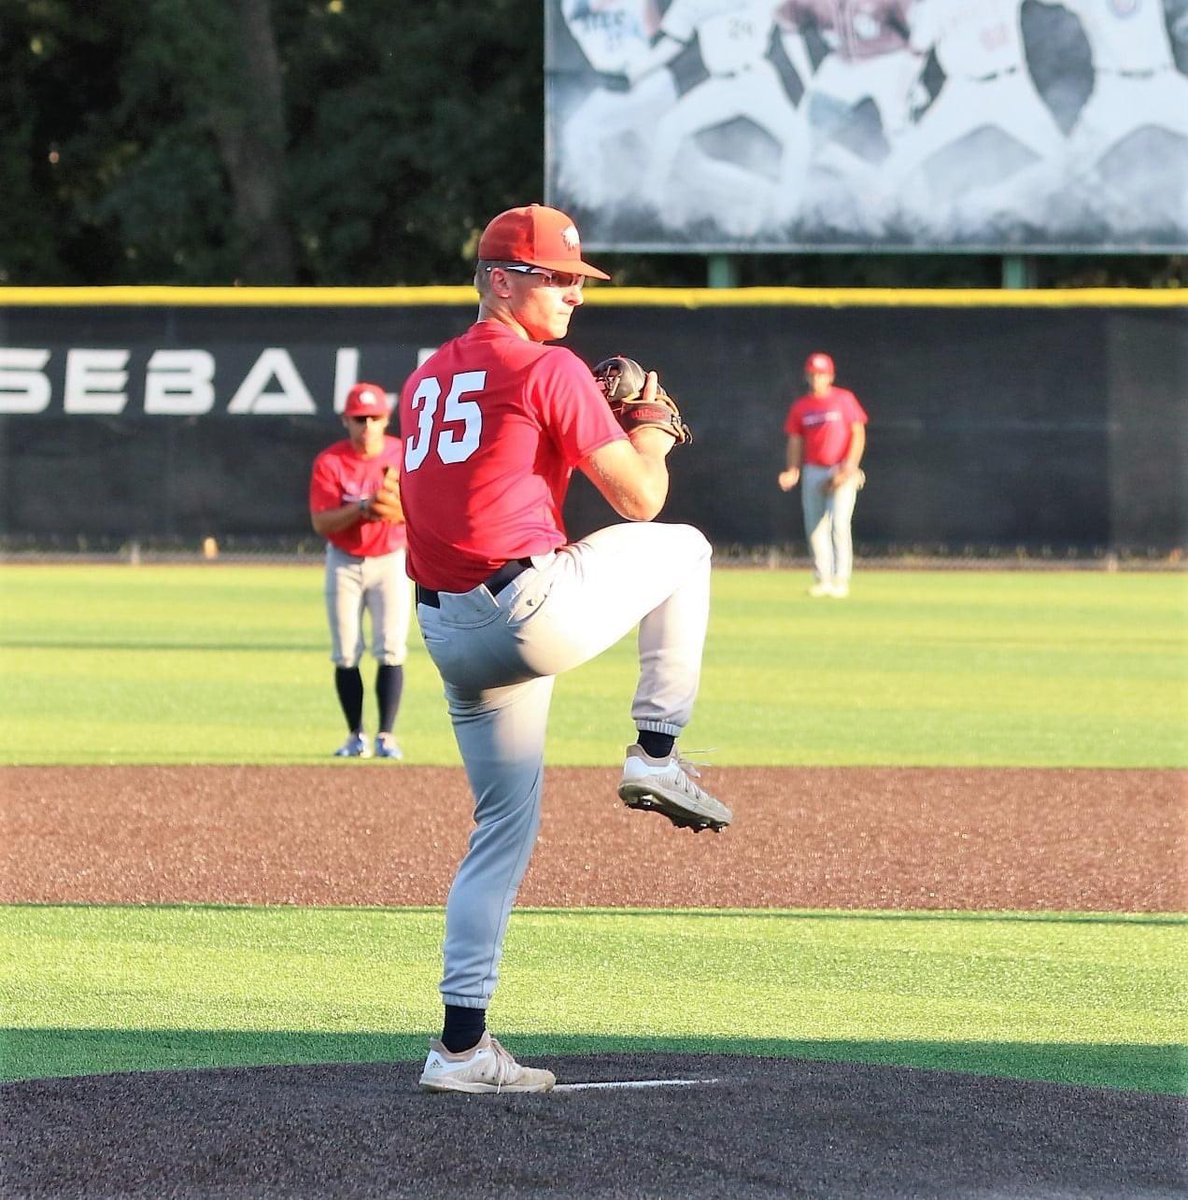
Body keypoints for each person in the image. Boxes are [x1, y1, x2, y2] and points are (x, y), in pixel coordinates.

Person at [398, 203, 731, 1095]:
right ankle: (657, 752)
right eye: (558, 278)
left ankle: (459, 1051)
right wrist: (653, 422)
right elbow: (639, 500)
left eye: (581, 280)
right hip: (522, 609)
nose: (576, 294)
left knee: (499, 830)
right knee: (685, 546)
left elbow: (487, 471)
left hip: (444, 629)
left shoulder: (426, 377)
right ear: (501, 279)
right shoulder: (547, 367)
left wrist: (596, 405)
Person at [309, 381, 410, 760]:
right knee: (346, 651)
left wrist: (392, 508)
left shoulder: (402, 453)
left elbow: (415, 510)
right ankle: (356, 735)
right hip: (345, 561)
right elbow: (322, 523)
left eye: (374, 417)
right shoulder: (331, 462)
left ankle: (386, 735)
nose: (367, 425)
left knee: (391, 646)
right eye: (359, 418)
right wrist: (363, 508)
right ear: (346, 421)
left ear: (386, 419)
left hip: (390, 559)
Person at [777, 351, 867, 597]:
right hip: (814, 470)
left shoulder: (844, 399)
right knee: (815, 527)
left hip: (841, 468)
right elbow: (795, 440)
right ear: (807, 376)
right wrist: (792, 470)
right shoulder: (801, 407)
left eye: (821, 374)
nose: (817, 379)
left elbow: (857, 434)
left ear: (830, 376)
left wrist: (848, 468)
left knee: (839, 523)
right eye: (813, 374)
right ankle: (823, 579)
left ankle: (841, 581)